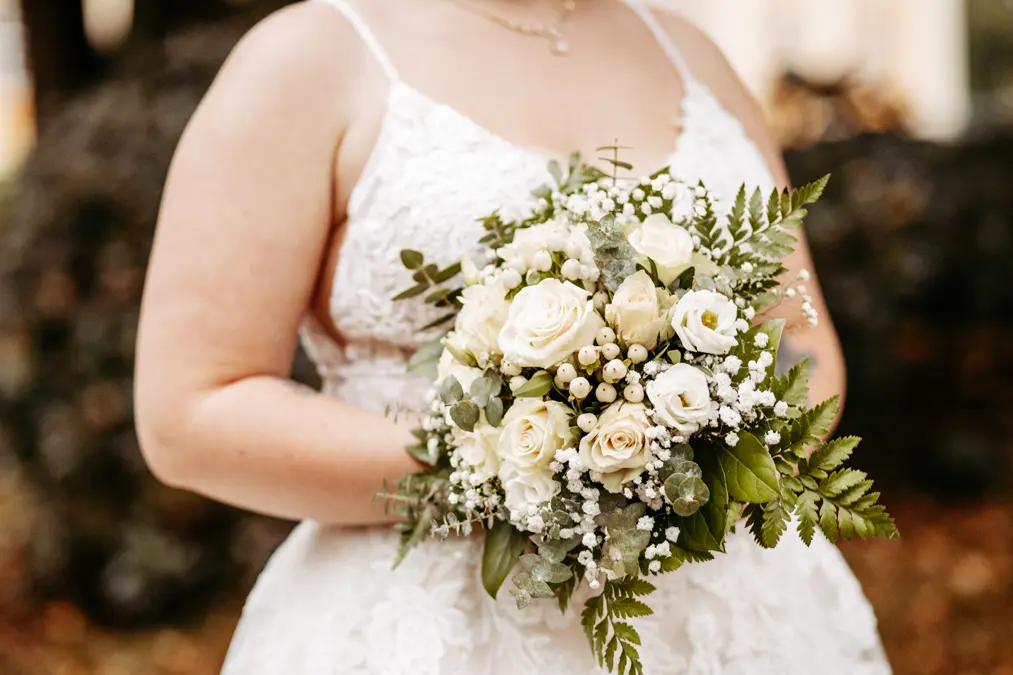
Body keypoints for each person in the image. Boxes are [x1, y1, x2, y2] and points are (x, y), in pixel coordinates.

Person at [134, 0, 890, 672]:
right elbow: (192, 410)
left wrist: (701, 452)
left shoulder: (690, 51)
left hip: (734, 618)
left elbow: (799, 340)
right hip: (432, 626)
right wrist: (522, 468)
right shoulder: (308, 55)